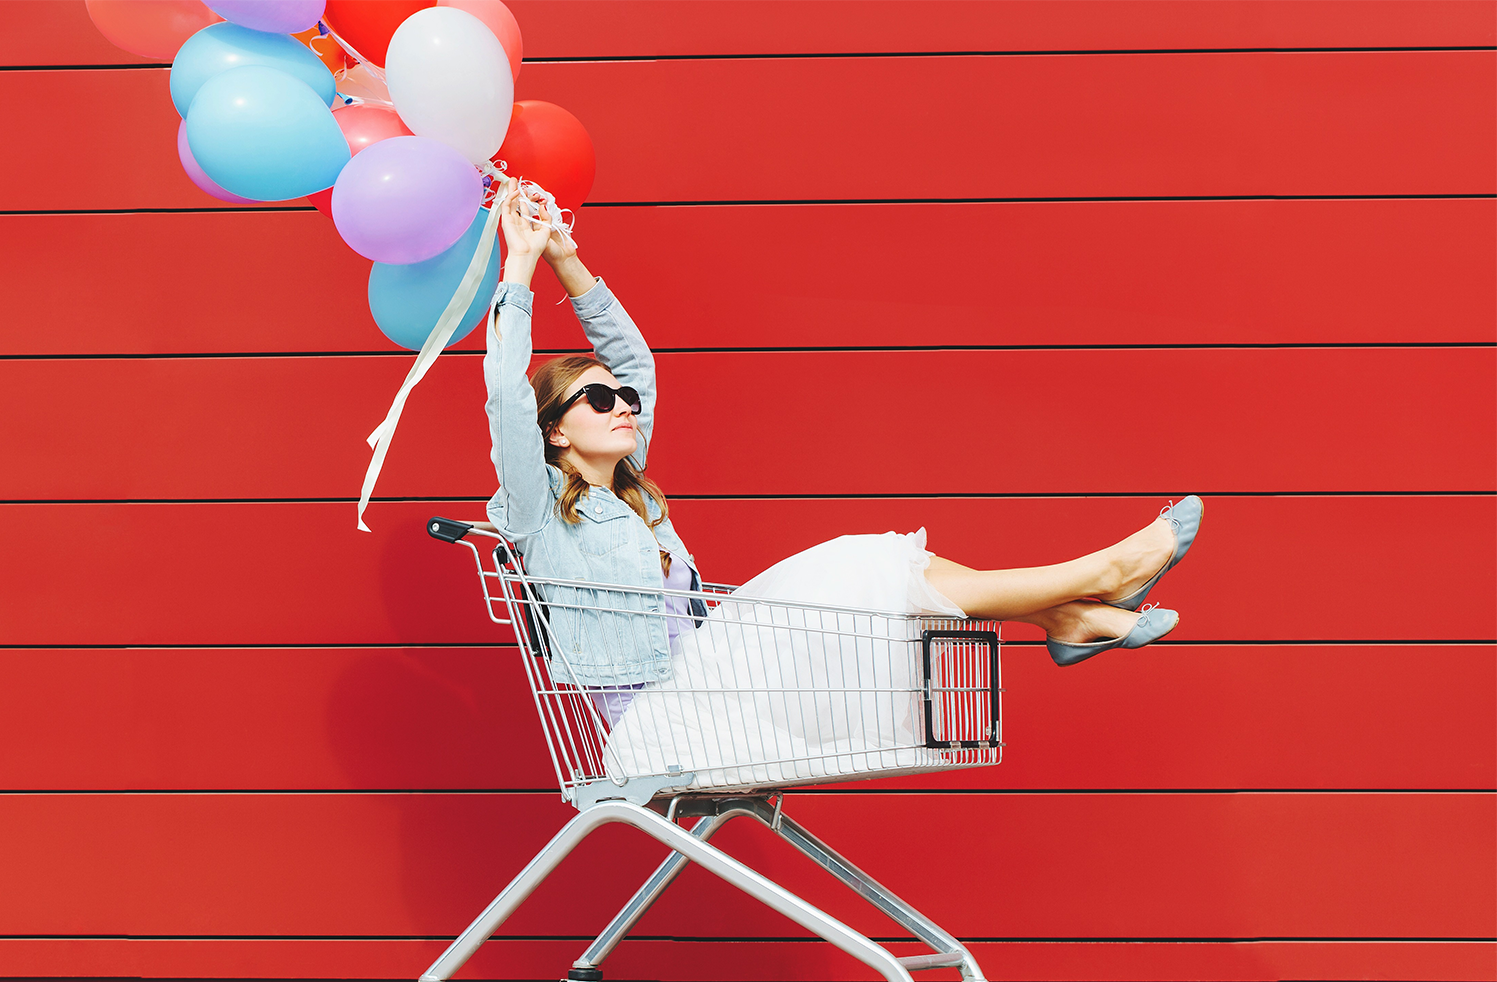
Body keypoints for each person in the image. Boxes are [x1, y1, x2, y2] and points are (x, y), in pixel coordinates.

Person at [481, 191, 1203, 726]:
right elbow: (507, 398)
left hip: (711, 680)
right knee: (871, 564)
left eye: (624, 399)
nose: (623, 405)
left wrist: (567, 259)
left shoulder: (636, 497)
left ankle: (1069, 616)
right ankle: (1086, 594)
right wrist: (519, 265)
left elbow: (632, 359)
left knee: (889, 564)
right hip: (664, 713)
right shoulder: (536, 510)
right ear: (555, 432)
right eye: (598, 401)